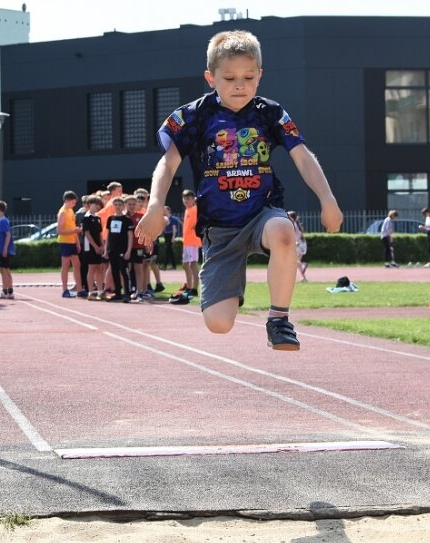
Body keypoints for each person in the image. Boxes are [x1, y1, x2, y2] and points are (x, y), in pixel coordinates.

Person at [135, 30, 343, 349]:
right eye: (229, 77)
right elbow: (168, 163)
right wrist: (155, 205)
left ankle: (279, 319)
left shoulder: (269, 113)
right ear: (210, 77)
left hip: (262, 214)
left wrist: (327, 198)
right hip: (219, 230)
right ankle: (231, 282)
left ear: (259, 75)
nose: (239, 85)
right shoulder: (195, 116)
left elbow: (302, 155)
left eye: (248, 76)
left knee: (284, 231)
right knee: (219, 324)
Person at [168, 189, 201, 305]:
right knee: (185, 264)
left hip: (193, 241)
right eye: (184, 198)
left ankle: (194, 289)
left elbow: (198, 223)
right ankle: (189, 286)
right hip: (187, 241)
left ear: (193, 200)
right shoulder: (188, 210)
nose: (186, 200)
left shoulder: (195, 209)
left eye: (189, 198)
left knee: (192, 264)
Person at [104, 196, 133, 302]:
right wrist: (106, 249)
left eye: (120, 205)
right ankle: (117, 293)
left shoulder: (127, 220)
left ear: (123, 206)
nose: (118, 207)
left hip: (123, 249)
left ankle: (127, 294)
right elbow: (108, 235)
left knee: (124, 271)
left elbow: (130, 236)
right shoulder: (110, 219)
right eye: (116, 205)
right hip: (112, 249)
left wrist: (128, 250)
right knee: (114, 271)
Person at [56, 190, 82, 298]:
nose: (74, 205)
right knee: (66, 265)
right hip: (65, 242)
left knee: (76, 264)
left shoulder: (71, 211)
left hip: (72, 241)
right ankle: (65, 289)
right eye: (73, 202)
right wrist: (74, 231)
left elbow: (72, 226)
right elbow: (59, 230)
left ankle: (80, 289)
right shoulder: (62, 212)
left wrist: (77, 242)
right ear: (67, 200)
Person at [79, 195, 104, 300]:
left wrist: (102, 245)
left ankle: (100, 291)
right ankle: (91, 291)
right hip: (89, 247)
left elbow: (99, 233)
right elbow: (87, 234)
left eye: (98, 204)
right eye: (94, 204)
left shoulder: (98, 218)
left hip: (98, 246)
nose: (97, 206)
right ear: (89, 205)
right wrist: (95, 246)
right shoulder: (86, 218)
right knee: (92, 268)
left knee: (99, 268)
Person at [0, 201, 16, 299]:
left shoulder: (3, 221)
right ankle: (8, 290)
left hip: (4, 249)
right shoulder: (0, 221)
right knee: (5, 269)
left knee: (4, 270)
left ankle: (6, 290)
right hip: (1, 248)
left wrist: (5, 248)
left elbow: (8, 235)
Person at [287, 211, 308, 282]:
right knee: (297, 262)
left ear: (292, 218)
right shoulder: (297, 224)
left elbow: (297, 235)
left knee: (296, 262)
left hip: (298, 244)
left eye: (288, 216)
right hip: (302, 243)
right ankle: (303, 277)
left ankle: (303, 267)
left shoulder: (293, 225)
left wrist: (296, 242)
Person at [161, 205, 179, 270]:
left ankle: (165, 265)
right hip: (166, 235)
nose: (164, 212)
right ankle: (173, 266)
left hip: (170, 235)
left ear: (169, 210)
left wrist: (173, 237)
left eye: (165, 210)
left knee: (168, 250)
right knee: (169, 251)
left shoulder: (172, 219)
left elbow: (174, 229)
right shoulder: (164, 219)